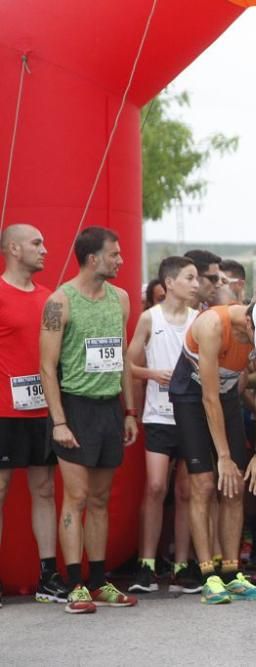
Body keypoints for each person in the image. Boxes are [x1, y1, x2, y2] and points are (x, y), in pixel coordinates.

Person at [38, 226, 140, 613]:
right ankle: (74, 584)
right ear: (93, 258)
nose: (120, 260)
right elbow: (47, 367)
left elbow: (123, 359)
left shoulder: (122, 299)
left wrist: (129, 411)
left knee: (100, 499)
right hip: (74, 407)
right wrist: (59, 421)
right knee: (76, 498)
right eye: (114, 254)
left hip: (109, 409)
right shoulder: (59, 301)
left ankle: (99, 582)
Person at [168, 298, 256, 605]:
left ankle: (230, 572)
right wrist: (223, 457)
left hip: (227, 397)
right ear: (249, 324)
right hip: (192, 397)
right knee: (203, 484)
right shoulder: (212, 324)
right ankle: (207, 575)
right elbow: (208, 398)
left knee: (234, 487)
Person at [0, 224, 70, 607]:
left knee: (44, 490)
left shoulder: (50, 300)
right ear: (13, 248)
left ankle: (48, 575)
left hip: (44, 409)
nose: (45, 249)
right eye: (36, 243)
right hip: (3, 410)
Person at [126, 257, 200, 595]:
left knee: (186, 491)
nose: (195, 284)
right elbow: (127, 364)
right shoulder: (149, 318)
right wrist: (152, 374)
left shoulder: (200, 320)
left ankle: (183, 565)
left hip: (192, 415)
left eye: (196, 278)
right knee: (156, 487)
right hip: (158, 414)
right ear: (169, 283)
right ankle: (147, 564)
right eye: (189, 278)